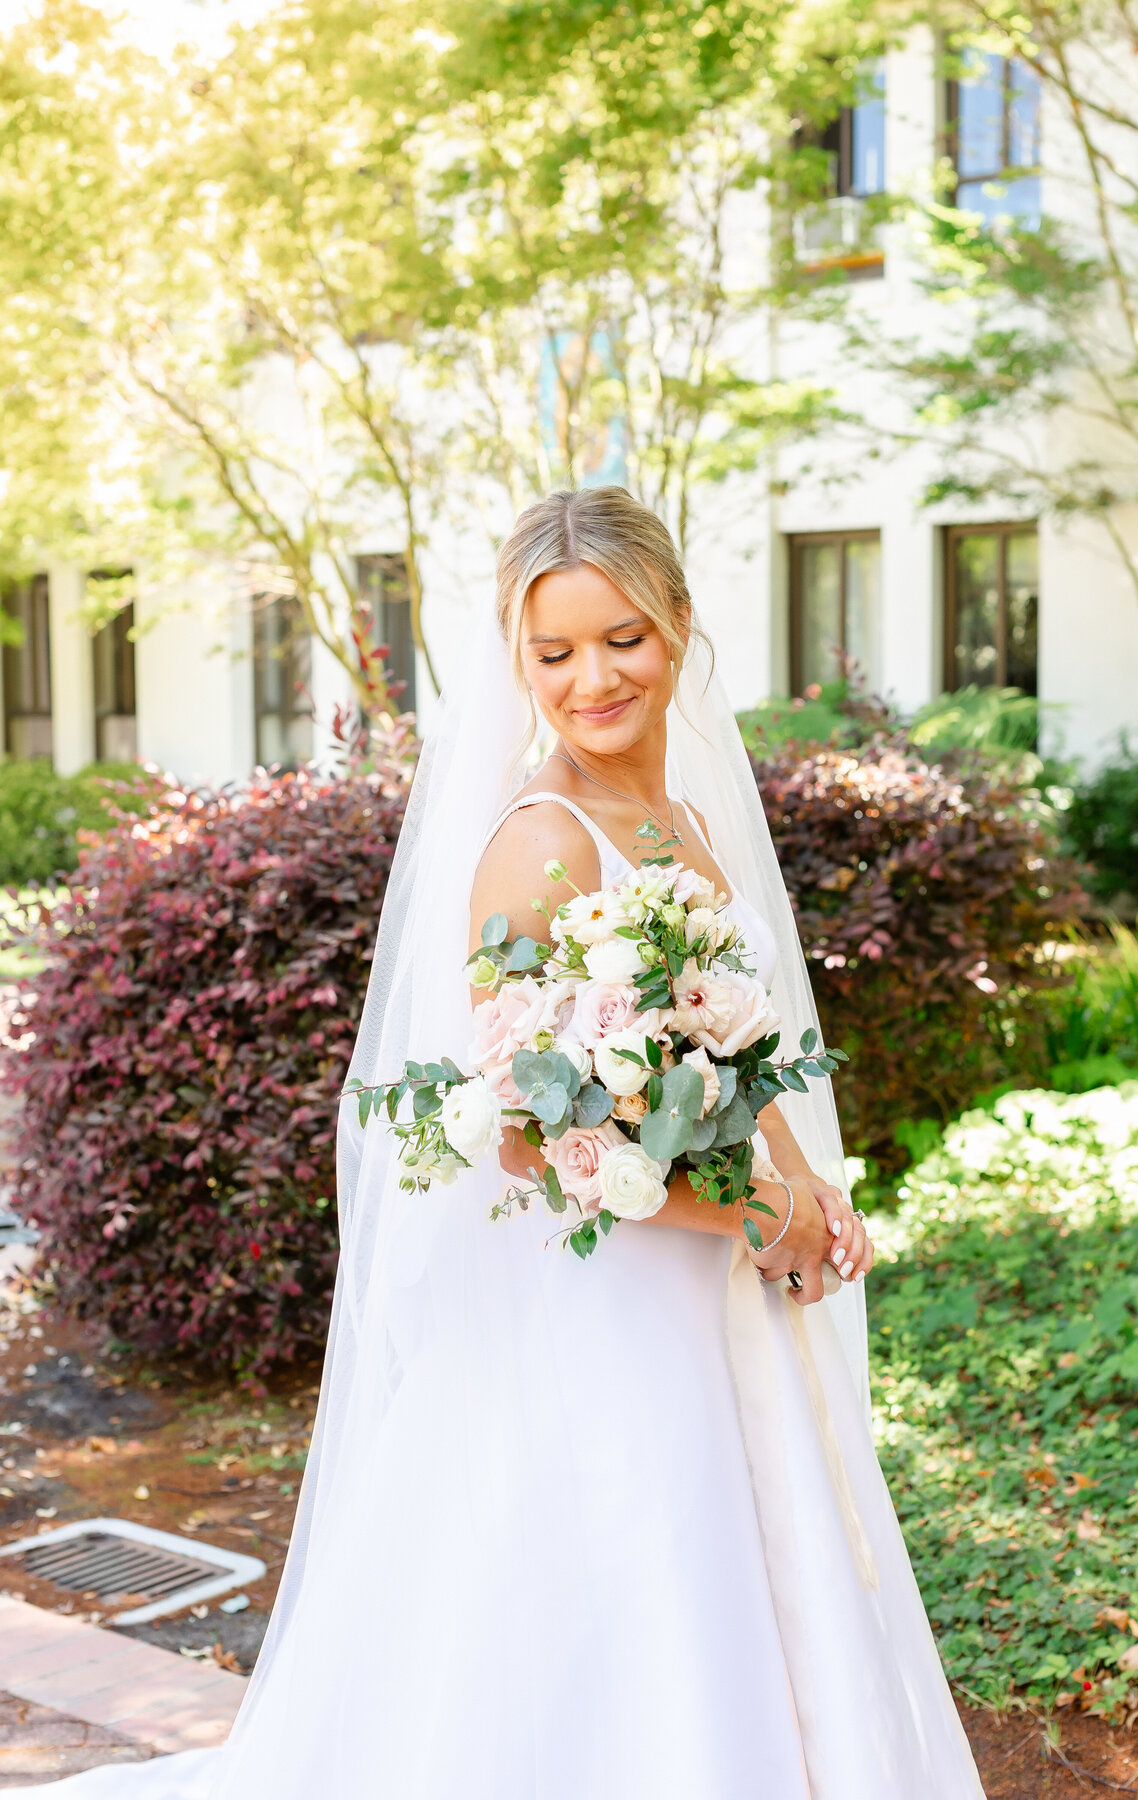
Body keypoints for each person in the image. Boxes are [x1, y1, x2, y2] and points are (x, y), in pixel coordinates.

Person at [17, 488, 984, 1798]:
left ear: (681, 625)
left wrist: (806, 1187)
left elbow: (735, 1054)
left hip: (718, 1296)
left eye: (623, 638)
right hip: (610, 1311)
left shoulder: (688, 825)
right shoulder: (539, 844)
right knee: (634, 1606)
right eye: (556, 652)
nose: (594, 677)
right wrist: (750, 1214)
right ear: (517, 663)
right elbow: (533, 1139)